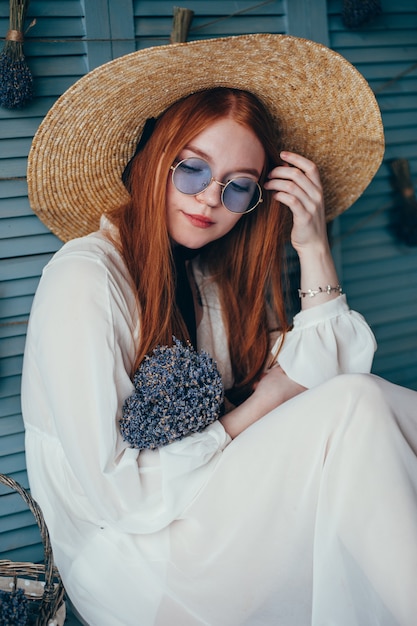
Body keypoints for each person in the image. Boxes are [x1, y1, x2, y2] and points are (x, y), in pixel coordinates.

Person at [21, 34, 417, 626]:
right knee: (359, 405)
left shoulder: (206, 283)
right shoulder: (84, 278)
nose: (211, 198)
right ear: (153, 157)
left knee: (365, 406)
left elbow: (326, 375)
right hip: (133, 560)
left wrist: (312, 245)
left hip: (201, 508)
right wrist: (263, 405)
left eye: (238, 186)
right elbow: (116, 493)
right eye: (193, 169)